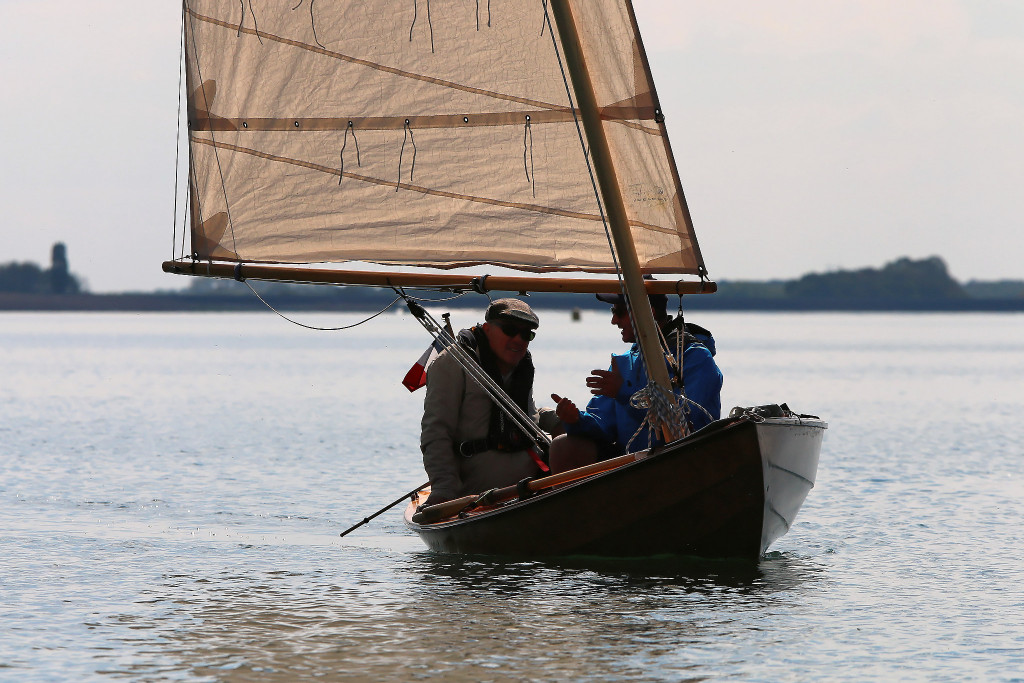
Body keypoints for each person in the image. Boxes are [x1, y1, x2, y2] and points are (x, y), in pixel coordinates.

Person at [549, 292, 723, 473]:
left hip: (682, 462)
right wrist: (576, 420)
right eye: (612, 311)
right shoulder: (624, 363)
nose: (614, 320)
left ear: (649, 313)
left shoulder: (695, 357)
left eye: (620, 312)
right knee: (562, 446)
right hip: (634, 465)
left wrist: (624, 393)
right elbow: (603, 423)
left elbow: (689, 424)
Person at [420, 298, 555, 506]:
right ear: (487, 328)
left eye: (527, 334)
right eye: (510, 330)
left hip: (532, 486)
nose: (519, 339)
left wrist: (562, 419)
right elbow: (436, 432)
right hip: (478, 494)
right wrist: (444, 488)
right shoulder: (452, 363)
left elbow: (527, 416)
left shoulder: (522, 364)